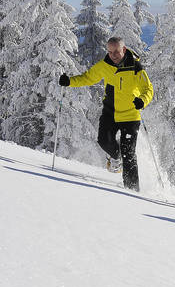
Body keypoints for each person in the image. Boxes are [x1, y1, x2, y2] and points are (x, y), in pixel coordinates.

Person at [58, 36, 154, 192]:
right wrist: (69, 81)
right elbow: (88, 78)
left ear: (123, 49)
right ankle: (116, 157)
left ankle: (133, 192)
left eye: (116, 51)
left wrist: (142, 101)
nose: (113, 55)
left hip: (130, 116)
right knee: (103, 141)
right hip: (110, 112)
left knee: (129, 154)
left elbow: (148, 89)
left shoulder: (136, 67)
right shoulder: (105, 65)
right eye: (109, 52)